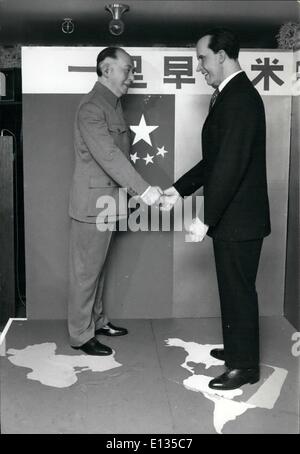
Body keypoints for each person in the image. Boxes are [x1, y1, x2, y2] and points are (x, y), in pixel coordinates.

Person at [161, 28, 271, 390]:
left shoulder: (239, 98)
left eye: (203, 59)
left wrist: (206, 218)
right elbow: (215, 161)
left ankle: (244, 367)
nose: (199, 67)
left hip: (238, 218)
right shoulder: (230, 95)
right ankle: (238, 348)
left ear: (222, 55)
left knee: (237, 289)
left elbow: (231, 165)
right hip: (236, 216)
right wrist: (179, 190)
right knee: (232, 286)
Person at [68, 47, 162, 355]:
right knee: (86, 273)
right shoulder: (92, 108)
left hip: (107, 203)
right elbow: (109, 156)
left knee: (98, 270)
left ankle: (97, 321)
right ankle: (81, 335)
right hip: (93, 206)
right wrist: (144, 190)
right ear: (106, 69)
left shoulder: (112, 105)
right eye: (127, 70)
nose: (132, 77)